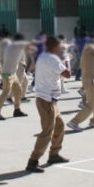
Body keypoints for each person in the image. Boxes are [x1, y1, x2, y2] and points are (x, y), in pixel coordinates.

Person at [26, 35, 72, 173]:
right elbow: (68, 74)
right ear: (55, 47)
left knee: (60, 126)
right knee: (47, 132)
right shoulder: (52, 59)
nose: (61, 48)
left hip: (49, 99)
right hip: (46, 100)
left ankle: (54, 154)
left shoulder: (43, 56)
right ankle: (33, 161)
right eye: (59, 46)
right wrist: (67, 60)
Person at [67, 30, 94, 131]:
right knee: (91, 104)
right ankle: (74, 122)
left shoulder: (91, 49)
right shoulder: (91, 47)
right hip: (91, 80)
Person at [0, 33, 31, 120]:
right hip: (7, 73)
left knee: (18, 90)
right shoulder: (13, 47)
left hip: (13, 73)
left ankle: (17, 110)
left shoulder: (15, 47)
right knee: (6, 92)